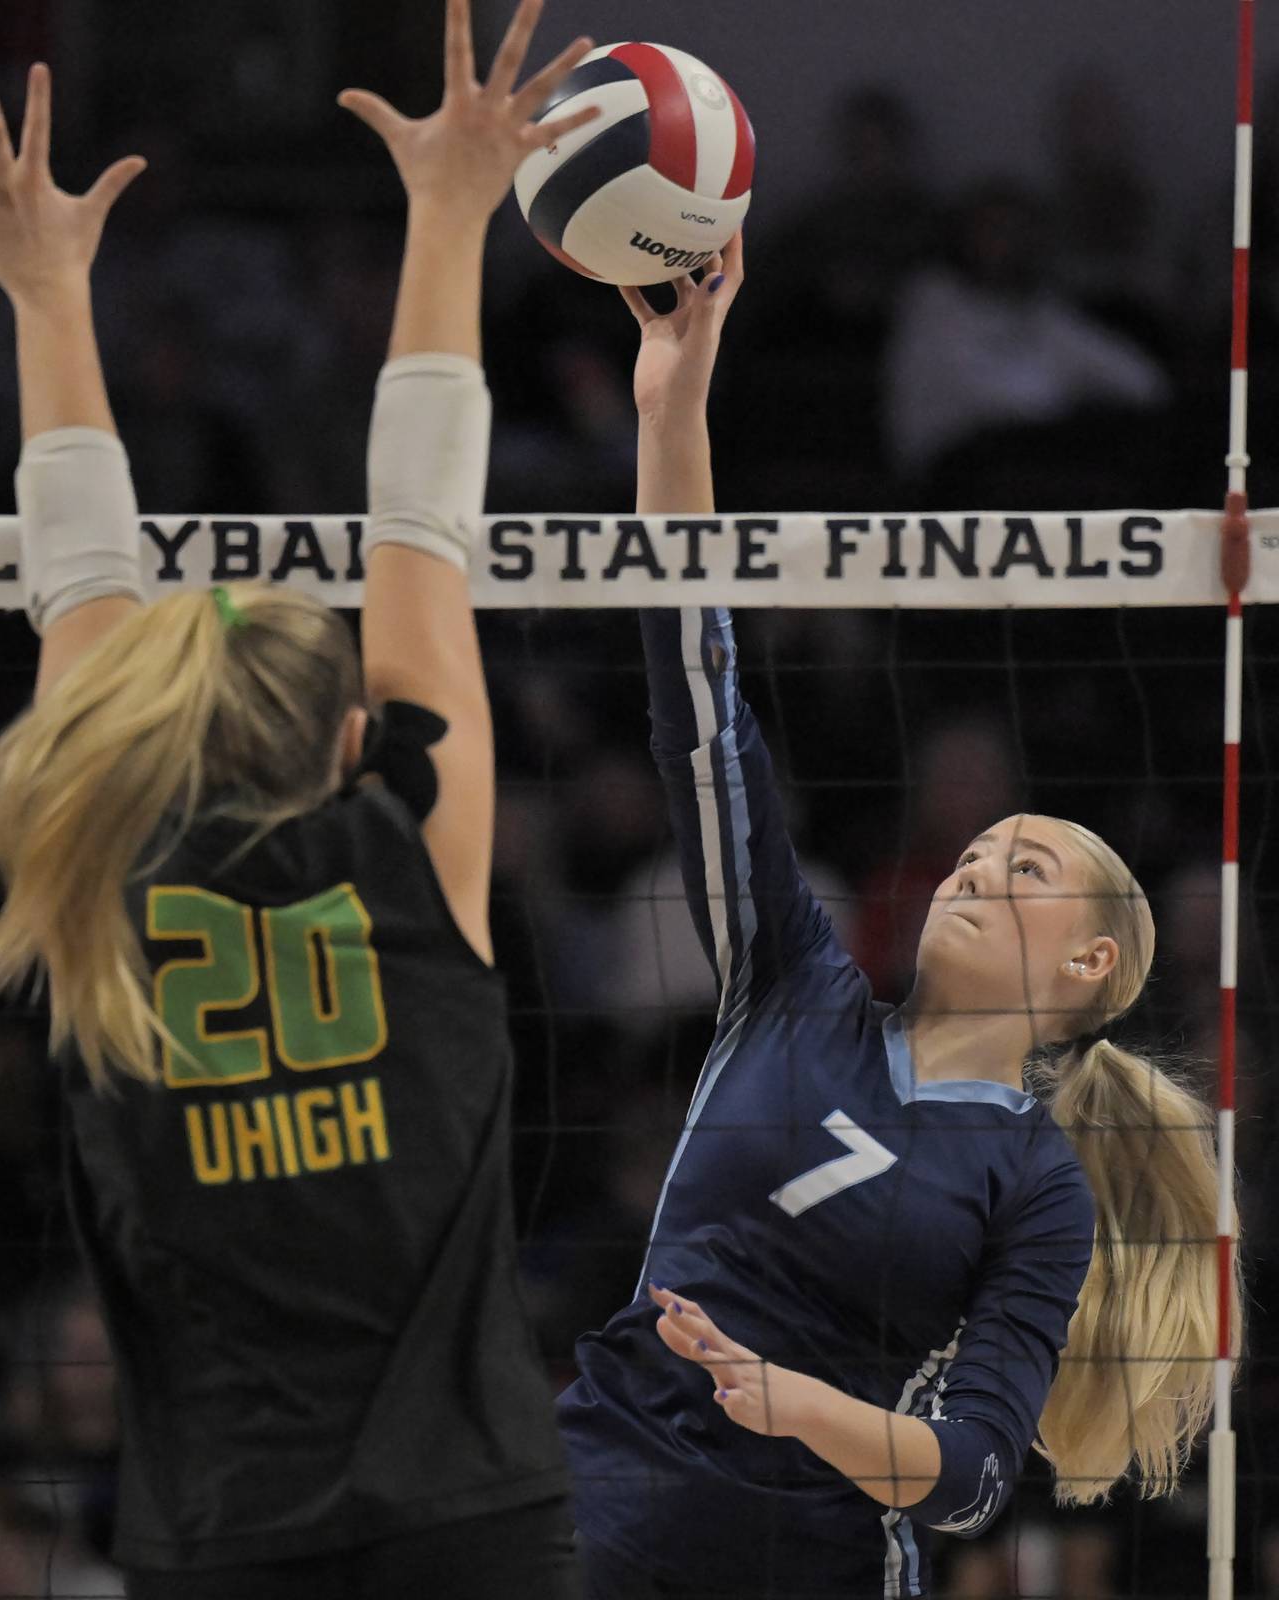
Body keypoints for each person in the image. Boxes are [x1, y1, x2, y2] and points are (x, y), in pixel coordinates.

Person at [0, 3, 599, 1592]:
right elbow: (420, 512)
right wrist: (455, 209)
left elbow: (83, 567)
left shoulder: (97, 877)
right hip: (470, 1527)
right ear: (354, 733)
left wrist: (43, 284)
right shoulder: (410, 851)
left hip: (222, 1541)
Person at [556, 235, 1234, 1600]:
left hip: (812, 1564)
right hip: (592, 1529)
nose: (979, 869)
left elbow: (979, 1465)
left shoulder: (1034, 1180)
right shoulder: (790, 980)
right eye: (979, 852)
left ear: (1094, 964)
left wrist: (791, 1403)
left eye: (1026, 868)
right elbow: (697, 691)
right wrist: (672, 406)